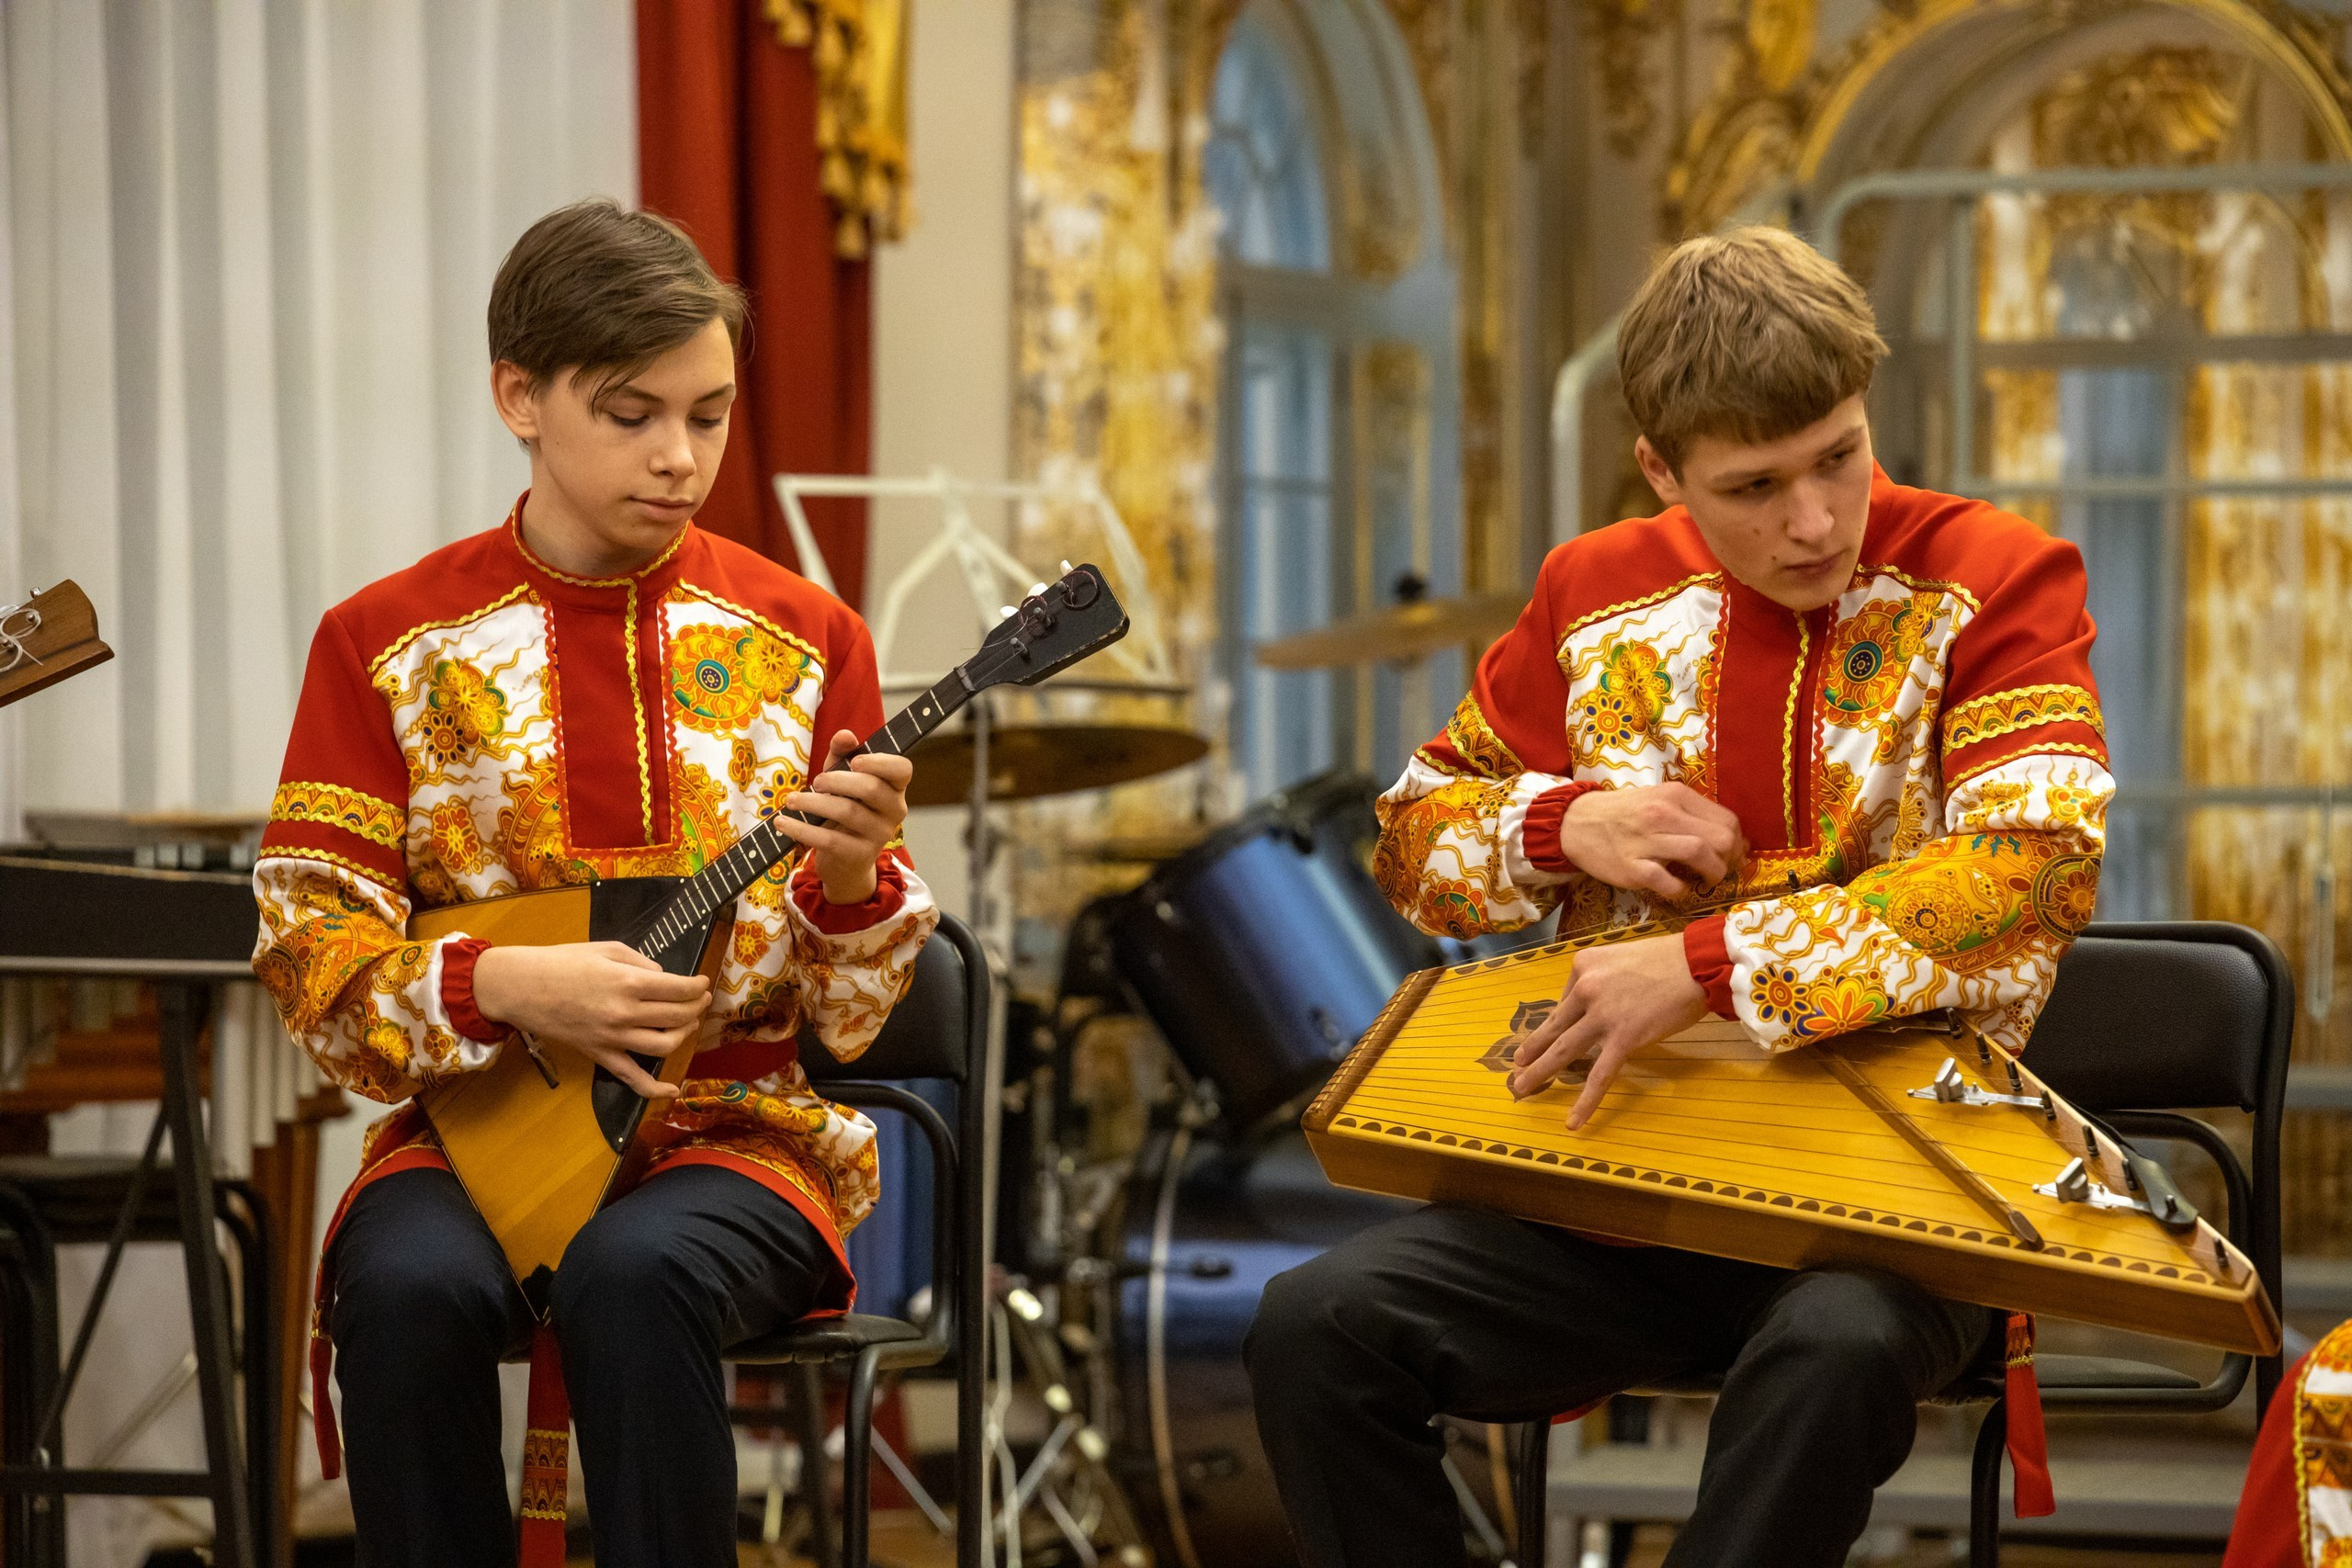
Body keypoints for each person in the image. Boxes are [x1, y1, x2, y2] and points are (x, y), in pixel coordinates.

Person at [1246, 226, 2112, 1567]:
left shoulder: (1997, 577)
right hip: (1617, 1195)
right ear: (1663, 471)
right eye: (1755, 485)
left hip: (1899, 1212)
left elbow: (2031, 872)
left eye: (1840, 455)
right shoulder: (1593, 595)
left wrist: (1705, 967)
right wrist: (1565, 823)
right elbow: (1415, 845)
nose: (1816, 520)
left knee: (1832, 1349)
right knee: (1315, 1328)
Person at [249, 199, 937, 1568]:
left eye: (710, 414)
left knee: (634, 1278)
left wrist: (854, 874)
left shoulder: (808, 641)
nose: (681, 459)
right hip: (483, 1135)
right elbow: (311, 959)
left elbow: (854, 1024)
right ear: (520, 395)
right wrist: (505, 982)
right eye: (631, 414)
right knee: (399, 1287)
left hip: (739, 1137)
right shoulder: (384, 644)